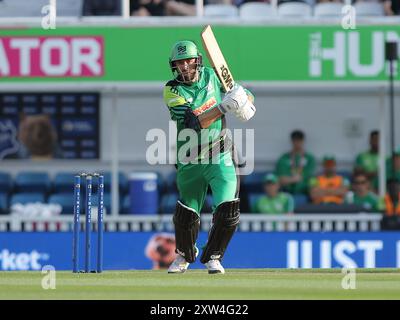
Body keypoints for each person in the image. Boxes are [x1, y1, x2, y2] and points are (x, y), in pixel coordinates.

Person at [163, 40, 256, 274]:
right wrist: (225, 107)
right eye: (179, 63)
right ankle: (184, 255)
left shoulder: (213, 76)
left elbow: (245, 95)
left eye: (188, 61)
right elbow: (194, 123)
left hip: (220, 154)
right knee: (187, 213)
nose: (184, 67)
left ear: (197, 60)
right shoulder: (172, 89)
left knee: (228, 209)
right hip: (189, 158)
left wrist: (243, 103)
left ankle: (213, 256)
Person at [275, 130, 316, 195]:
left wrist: (292, 179)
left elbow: (309, 175)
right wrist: (294, 179)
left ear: (303, 141)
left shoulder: (309, 158)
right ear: (291, 141)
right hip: (286, 189)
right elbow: (281, 178)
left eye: (299, 140)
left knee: (314, 184)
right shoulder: (284, 158)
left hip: (305, 190)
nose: (297, 143)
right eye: (295, 140)